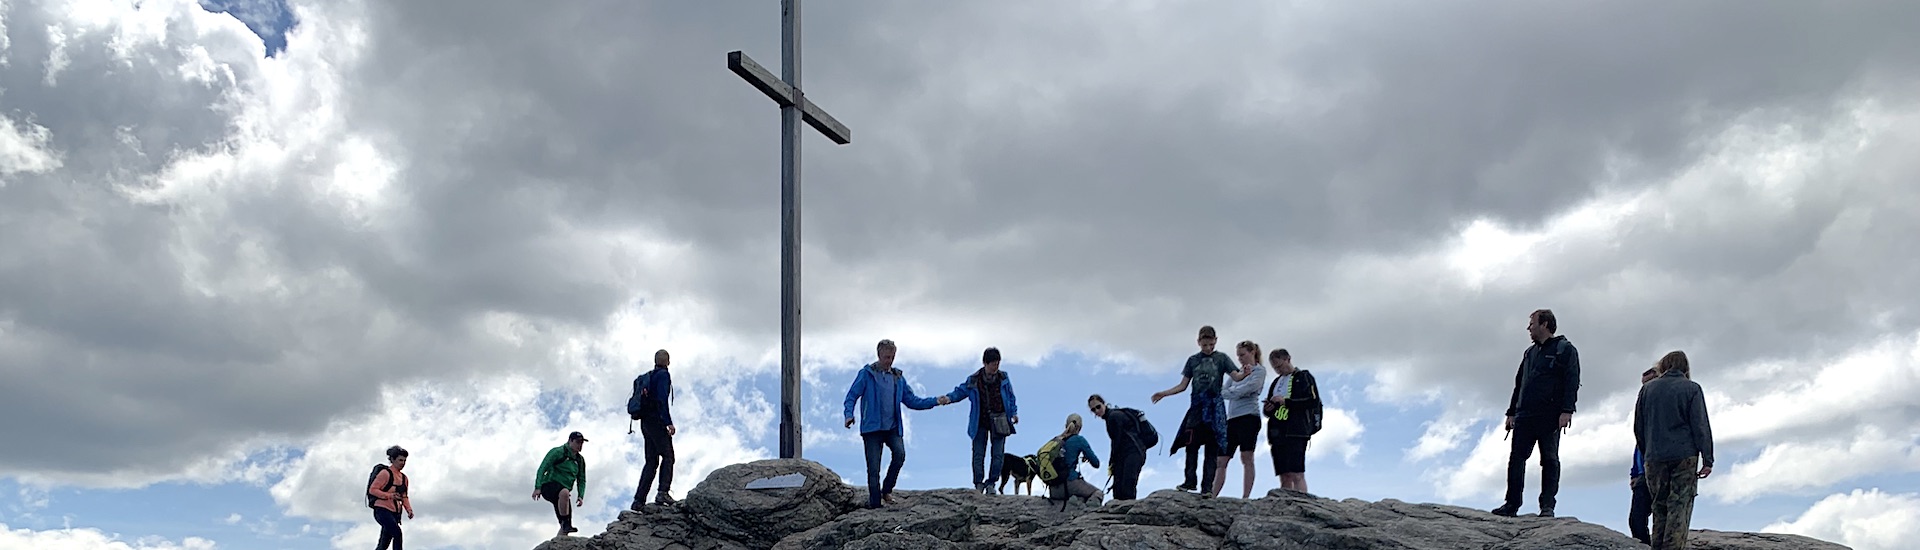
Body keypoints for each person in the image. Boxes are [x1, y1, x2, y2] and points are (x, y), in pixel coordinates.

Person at [1492, 309, 1581, 518]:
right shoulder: (1530, 353)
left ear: (1545, 324)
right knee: (1516, 459)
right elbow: (1519, 383)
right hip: (1525, 415)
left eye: (1532, 324)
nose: (1528, 328)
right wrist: (1511, 412)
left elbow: (1572, 381)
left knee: (1549, 460)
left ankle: (1547, 506)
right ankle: (1511, 504)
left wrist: (1567, 410)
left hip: (1550, 415)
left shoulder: (1565, 350)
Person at [843, 339, 942, 509]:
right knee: (873, 468)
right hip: (872, 428)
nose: (889, 360)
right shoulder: (867, 374)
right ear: (879, 355)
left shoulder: (898, 378)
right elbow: (851, 396)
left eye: (892, 357)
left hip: (892, 427)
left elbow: (912, 400)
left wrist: (935, 401)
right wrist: (848, 415)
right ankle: (875, 504)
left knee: (900, 455)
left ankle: (887, 490)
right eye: (886, 357)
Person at [1151, 325, 1245, 498]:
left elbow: (1236, 376)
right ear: (1198, 343)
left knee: (1211, 447)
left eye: (1211, 344)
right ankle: (1189, 480)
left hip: (1214, 406)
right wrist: (1164, 393)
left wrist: (1245, 373)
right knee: (1191, 444)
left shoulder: (1222, 358)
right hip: (1197, 407)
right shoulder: (1193, 360)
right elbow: (1183, 385)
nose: (1208, 348)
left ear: (1216, 341)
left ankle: (1207, 487)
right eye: (1204, 345)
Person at [1634, 351, 1714, 550]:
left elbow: (1638, 427)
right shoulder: (1692, 388)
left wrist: (1646, 452)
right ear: (1685, 367)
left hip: (1654, 456)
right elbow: (1700, 425)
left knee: (1659, 505)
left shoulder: (1647, 390)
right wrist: (1708, 459)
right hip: (1684, 456)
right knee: (1679, 506)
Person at [940, 347, 1020, 494]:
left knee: (998, 454)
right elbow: (960, 391)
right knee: (978, 454)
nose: (995, 367)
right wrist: (949, 398)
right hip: (980, 421)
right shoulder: (974, 380)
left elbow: (1010, 396)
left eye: (997, 363)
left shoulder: (1003, 378)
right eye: (993, 364)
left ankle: (991, 483)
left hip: (1000, 419)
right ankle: (978, 483)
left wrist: (1014, 413)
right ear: (985, 363)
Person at [1264, 348, 1321, 493]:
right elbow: (1267, 411)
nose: (1278, 370)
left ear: (1288, 359)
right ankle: (1285, 505)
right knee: (1284, 474)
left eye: (1280, 366)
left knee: (1297, 472)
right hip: (1277, 431)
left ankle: (1302, 502)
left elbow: (1312, 400)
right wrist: (1269, 408)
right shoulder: (1276, 382)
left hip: (1296, 430)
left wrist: (1286, 402)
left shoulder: (1304, 377)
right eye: (1275, 368)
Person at [1219, 340, 1267, 498]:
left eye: (1242, 354)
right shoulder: (1237, 373)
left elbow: (1250, 388)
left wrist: (1234, 390)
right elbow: (1222, 391)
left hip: (1249, 417)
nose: (1239, 358)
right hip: (1232, 418)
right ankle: (1212, 495)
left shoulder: (1259, 371)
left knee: (1246, 457)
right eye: (1238, 356)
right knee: (1222, 459)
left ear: (1252, 352)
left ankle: (1246, 496)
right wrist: (1236, 390)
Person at [631, 349, 678, 510]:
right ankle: (663, 492)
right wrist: (668, 422)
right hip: (656, 421)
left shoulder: (649, 376)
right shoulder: (663, 375)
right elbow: (661, 399)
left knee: (651, 461)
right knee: (668, 456)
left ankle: (638, 501)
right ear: (668, 362)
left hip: (645, 422)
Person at [1087, 394, 1148, 500]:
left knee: (1126, 486)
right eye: (1093, 410)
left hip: (1133, 452)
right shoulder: (1112, 416)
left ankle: (1125, 511)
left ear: (1104, 404)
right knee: (1121, 486)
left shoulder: (1113, 417)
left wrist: (1112, 461)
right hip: (1130, 452)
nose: (1097, 411)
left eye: (1098, 407)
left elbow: (1117, 441)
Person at [533, 432, 588, 538]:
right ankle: (565, 522)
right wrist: (537, 487)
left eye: (581, 443)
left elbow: (581, 479)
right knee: (564, 492)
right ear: (570, 441)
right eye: (577, 442)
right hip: (549, 486)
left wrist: (581, 495)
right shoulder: (558, 452)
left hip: (563, 495)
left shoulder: (579, 460)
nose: (580, 445)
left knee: (565, 528)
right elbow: (542, 468)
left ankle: (560, 538)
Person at [1628, 367, 1658, 545]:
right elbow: (1638, 443)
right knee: (1636, 520)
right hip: (1641, 474)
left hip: (1659, 469)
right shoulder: (1643, 407)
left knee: (1662, 518)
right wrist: (1634, 473)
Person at [1047, 414, 1104, 503]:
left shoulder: (1055, 440)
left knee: (1080, 499)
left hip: (1053, 490)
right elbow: (1096, 463)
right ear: (1080, 427)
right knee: (1098, 493)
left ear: (1066, 425)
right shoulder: (1079, 440)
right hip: (1070, 484)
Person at [366, 445, 413, 550]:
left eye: (404, 461)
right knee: (397, 533)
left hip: (394, 513)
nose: (402, 463)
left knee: (384, 544)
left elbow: (404, 496)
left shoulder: (404, 478)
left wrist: (409, 510)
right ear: (392, 459)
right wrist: (389, 496)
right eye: (400, 460)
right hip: (382, 510)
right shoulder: (385, 473)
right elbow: (373, 490)